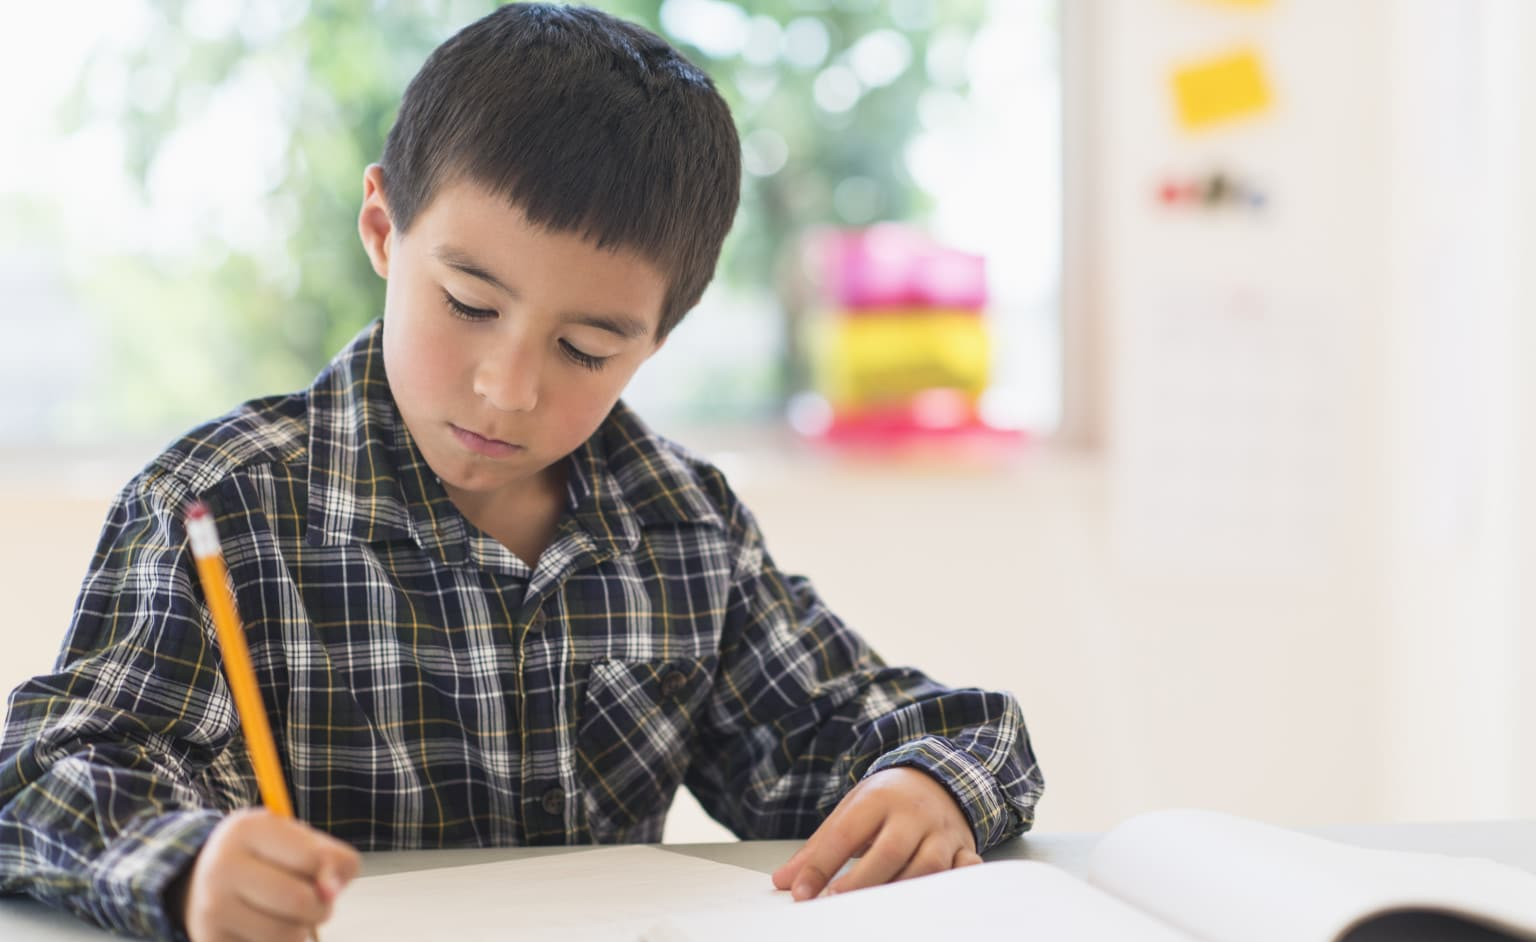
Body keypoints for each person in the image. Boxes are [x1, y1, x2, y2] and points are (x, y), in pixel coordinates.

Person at [0, 5, 1044, 940]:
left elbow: (903, 727)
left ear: (655, 342)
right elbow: (45, 774)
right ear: (382, 230)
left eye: (585, 350)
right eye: (467, 303)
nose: (506, 389)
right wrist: (186, 868)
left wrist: (929, 780)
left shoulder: (680, 523)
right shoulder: (222, 502)